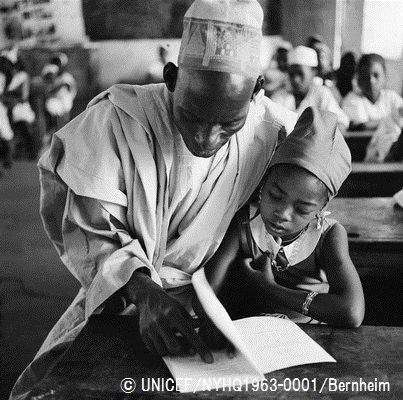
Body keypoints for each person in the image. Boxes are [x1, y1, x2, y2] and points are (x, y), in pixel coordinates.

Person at [9, 0, 297, 398]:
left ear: (257, 91)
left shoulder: (274, 133)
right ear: (172, 77)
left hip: (217, 301)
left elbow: (271, 218)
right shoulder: (117, 121)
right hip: (123, 296)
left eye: (229, 124)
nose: (206, 140)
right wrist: (143, 292)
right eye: (192, 116)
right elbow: (89, 230)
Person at [203, 107, 365, 330]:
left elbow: (352, 312)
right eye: (275, 196)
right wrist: (210, 318)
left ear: (321, 207)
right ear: (264, 182)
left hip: (310, 335)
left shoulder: (328, 236)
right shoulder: (245, 222)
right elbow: (208, 290)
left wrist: (270, 288)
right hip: (253, 334)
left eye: (302, 209)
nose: (283, 214)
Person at [271, 45, 349, 132]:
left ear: (313, 72)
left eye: (300, 74)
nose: (296, 79)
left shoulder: (321, 94)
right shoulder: (279, 96)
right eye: (292, 74)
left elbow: (341, 122)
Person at [342, 53, 403, 131]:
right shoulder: (352, 99)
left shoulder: (392, 97)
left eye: (376, 75)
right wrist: (392, 120)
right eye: (365, 76)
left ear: (384, 77)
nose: (371, 81)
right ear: (358, 79)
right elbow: (362, 127)